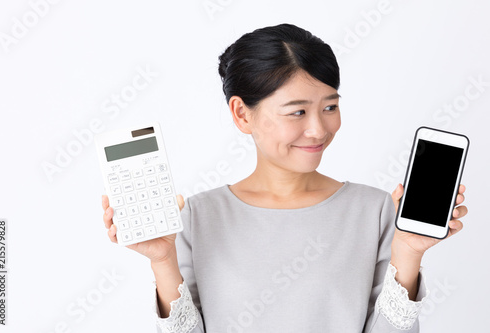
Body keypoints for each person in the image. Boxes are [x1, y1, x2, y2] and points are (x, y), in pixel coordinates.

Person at [101, 23, 468, 332]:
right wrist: (162, 261)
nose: (318, 129)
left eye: (330, 107)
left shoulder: (376, 211)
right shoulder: (197, 217)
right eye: (297, 112)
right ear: (242, 114)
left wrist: (409, 252)